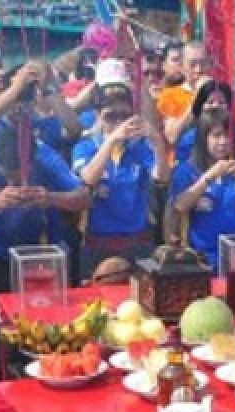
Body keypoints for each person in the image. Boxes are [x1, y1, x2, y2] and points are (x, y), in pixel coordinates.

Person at [0, 124, 90, 381]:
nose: (15, 183)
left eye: (20, 176)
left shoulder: (45, 156)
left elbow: (81, 196)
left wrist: (50, 197)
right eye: (8, 177)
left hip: (37, 257)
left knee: (41, 332)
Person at [72, 68, 169, 280]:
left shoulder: (140, 146)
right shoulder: (86, 146)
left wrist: (155, 139)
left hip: (138, 243)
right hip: (98, 245)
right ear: (98, 115)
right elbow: (87, 179)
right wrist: (111, 140)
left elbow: (161, 177)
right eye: (110, 116)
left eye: (124, 116)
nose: (118, 122)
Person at [171, 108, 235, 271]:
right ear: (203, 138)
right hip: (204, 258)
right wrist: (208, 178)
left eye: (228, 135)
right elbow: (180, 206)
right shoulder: (187, 170)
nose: (223, 141)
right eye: (216, 135)